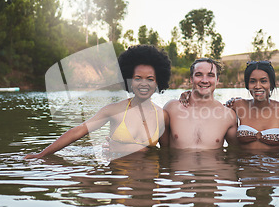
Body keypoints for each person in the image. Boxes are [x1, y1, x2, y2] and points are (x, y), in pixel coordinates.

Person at [25, 44, 171, 159]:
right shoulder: (113, 110)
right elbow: (78, 131)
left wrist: (130, 149)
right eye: (137, 78)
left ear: (158, 82)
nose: (143, 84)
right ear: (129, 81)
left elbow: (166, 154)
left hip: (150, 190)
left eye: (150, 79)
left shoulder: (162, 116)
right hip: (121, 189)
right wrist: (42, 154)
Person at [163, 58, 238, 149]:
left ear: (217, 80)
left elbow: (235, 153)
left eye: (210, 75)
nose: (204, 80)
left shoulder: (228, 115)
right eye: (199, 75)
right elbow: (163, 151)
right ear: (191, 79)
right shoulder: (171, 109)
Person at [230, 61, 279, 151]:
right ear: (247, 85)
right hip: (245, 164)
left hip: (274, 163)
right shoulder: (238, 105)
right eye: (253, 81)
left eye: (263, 81)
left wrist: (278, 146)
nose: (257, 86)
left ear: (271, 84)